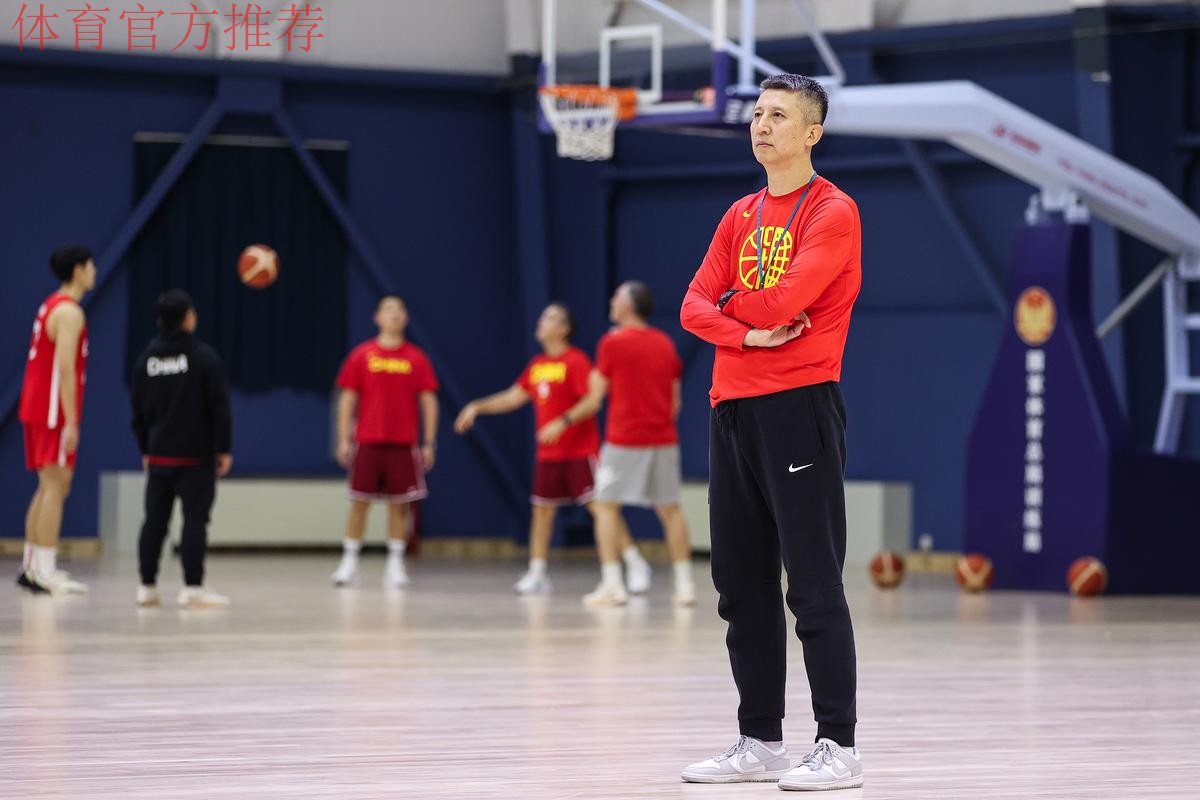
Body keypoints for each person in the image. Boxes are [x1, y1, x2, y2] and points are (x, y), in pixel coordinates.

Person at [678, 74, 865, 790]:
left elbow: (787, 299)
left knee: (812, 583)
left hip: (798, 408)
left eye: (779, 115)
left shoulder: (832, 211)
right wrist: (746, 331)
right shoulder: (740, 214)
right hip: (731, 407)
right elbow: (691, 305)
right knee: (739, 584)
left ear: (812, 133)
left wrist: (729, 308)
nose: (762, 124)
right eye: (758, 113)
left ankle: (838, 745)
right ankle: (759, 738)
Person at [453, 302, 650, 599]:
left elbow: (592, 401)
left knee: (601, 509)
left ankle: (635, 562)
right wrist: (477, 407)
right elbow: (513, 397)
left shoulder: (575, 361)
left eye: (550, 318)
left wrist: (562, 421)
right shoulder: (537, 365)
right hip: (549, 454)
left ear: (564, 329)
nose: (542, 322)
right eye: (543, 317)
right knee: (542, 512)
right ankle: (537, 573)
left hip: (580, 452)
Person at [571, 281, 696, 607]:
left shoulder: (612, 343)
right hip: (663, 439)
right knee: (670, 509)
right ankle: (685, 587)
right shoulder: (665, 343)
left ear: (627, 306)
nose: (612, 302)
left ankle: (613, 585)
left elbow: (596, 395)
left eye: (616, 298)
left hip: (623, 440)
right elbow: (675, 401)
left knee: (605, 507)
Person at [130, 290, 233, 609]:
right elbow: (219, 408)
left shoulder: (147, 360)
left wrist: (146, 449)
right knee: (195, 521)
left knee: (154, 522)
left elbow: (138, 412)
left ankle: (147, 587)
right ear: (188, 317)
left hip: (159, 456)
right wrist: (223, 448)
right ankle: (192, 588)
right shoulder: (203, 357)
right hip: (195, 457)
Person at [331, 295, 439, 589]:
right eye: (388, 309)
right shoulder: (362, 355)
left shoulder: (416, 358)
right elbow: (347, 399)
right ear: (377, 318)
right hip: (368, 441)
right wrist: (343, 439)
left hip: (403, 443)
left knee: (399, 506)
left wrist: (429, 442)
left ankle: (395, 564)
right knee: (359, 503)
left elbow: (429, 401)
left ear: (406, 318)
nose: (394, 314)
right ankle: (349, 563)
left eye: (400, 309)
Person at [16, 245, 96, 595]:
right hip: (51, 410)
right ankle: (45, 571)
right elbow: (65, 368)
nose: (94, 272)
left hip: (36, 404)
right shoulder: (69, 312)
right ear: (78, 270)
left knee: (48, 485)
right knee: (56, 485)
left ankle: (32, 566)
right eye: (90, 266)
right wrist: (72, 422)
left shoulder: (51, 304)